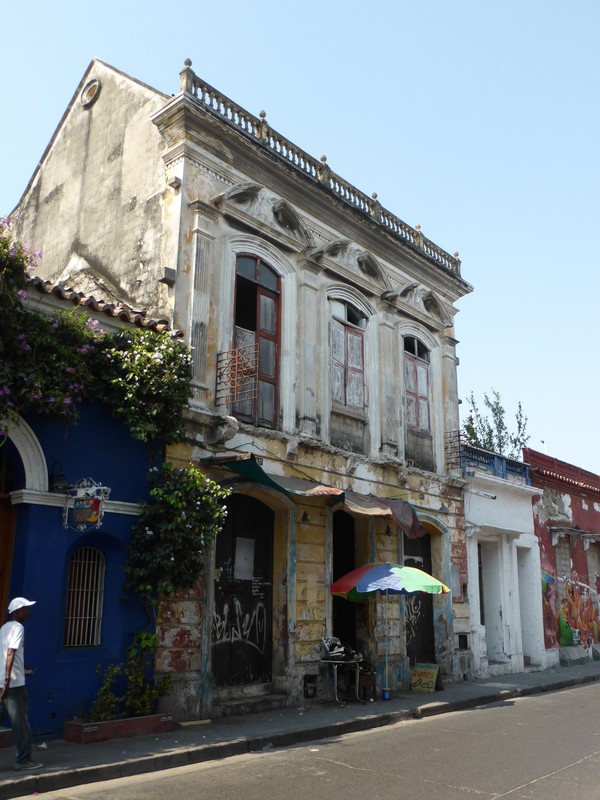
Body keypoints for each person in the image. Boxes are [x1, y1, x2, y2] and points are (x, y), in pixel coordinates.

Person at [0, 597, 42, 771]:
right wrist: (8, 680)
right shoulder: (18, 627)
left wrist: (26, 667)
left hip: (1, 682)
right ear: (17, 612)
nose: (28, 611)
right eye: (25, 608)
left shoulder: (4, 628)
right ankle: (23, 760)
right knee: (21, 723)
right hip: (13, 685)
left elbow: (8, 655)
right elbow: (10, 653)